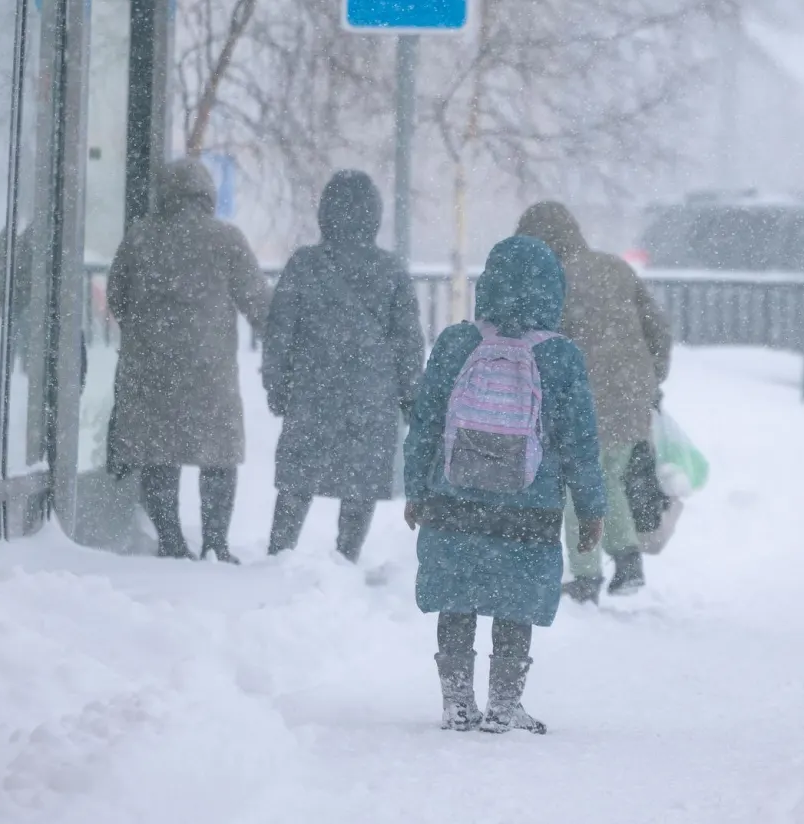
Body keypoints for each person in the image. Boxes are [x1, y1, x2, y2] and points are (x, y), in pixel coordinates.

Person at [404, 236, 605, 734]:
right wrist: (591, 507)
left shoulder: (456, 343)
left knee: (458, 593)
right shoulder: (561, 356)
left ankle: (456, 702)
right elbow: (580, 441)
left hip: (455, 499)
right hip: (529, 504)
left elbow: (425, 423)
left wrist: (416, 489)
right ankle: (503, 705)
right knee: (515, 599)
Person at [106, 159, 271, 563]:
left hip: (151, 368)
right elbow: (258, 303)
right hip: (208, 371)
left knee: (159, 453)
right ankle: (216, 542)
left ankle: (171, 540)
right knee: (218, 455)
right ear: (206, 195)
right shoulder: (226, 240)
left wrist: (147, 331)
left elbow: (117, 295)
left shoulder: (140, 238)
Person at [262, 170, 424, 562]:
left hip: (312, 389)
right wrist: (409, 395)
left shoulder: (304, 264)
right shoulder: (391, 271)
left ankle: (279, 552)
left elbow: (279, 330)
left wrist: (276, 383)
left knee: (298, 479)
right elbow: (407, 341)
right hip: (371, 395)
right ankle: (346, 555)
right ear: (375, 216)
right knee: (360, 481)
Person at [515, 202, 672, 602]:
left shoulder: (546, 279)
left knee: (575, 488)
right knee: (610, 478)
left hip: (584, 401)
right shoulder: (615, 267)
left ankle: (586, 578)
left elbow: (537, 346)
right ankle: (628, 559)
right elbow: (657, 328)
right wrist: (652, 378)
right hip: (631, 394)